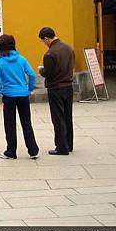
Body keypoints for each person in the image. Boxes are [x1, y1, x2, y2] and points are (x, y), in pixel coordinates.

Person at [0, 35, 39, 160]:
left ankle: (11, 151)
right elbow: (32, 74)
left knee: (10, 123)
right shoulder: (21, 59)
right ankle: (33, 150)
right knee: (26, 123)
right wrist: (29, 88)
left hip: (8, 96)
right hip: (23, 95)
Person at [38, 27, 75, 155]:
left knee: (58, 118)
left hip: (55, 88)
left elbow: (48, 73)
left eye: (43, 41)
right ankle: (69, 144)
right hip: (68, 86)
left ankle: (61, 147)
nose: (44, 43)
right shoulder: (68, 48)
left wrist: (41, 70)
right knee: (68, 116)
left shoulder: (50, 53)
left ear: (46, 38)